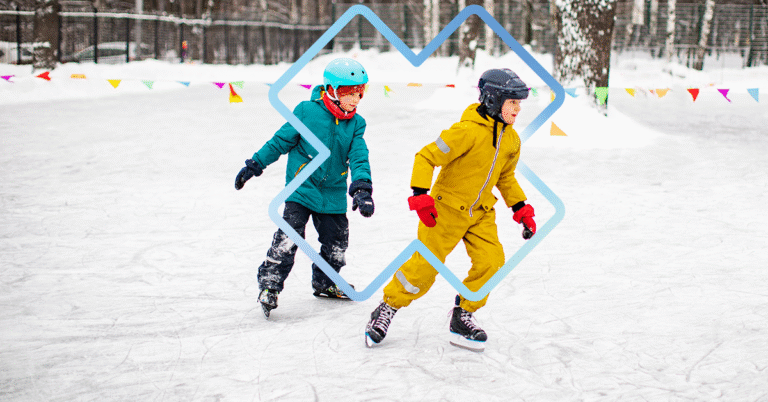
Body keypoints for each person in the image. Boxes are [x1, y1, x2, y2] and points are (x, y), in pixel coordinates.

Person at [364, 68, 537, 351]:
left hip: (480, 213)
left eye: (520, 103)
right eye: (512, 102)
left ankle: (463, 315)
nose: (518, 109)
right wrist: (420, 196)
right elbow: (426, 157)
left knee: (491, 262)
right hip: (444, 212)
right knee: (422, 269)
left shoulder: (511, 140)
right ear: (493, 100)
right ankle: (388, 307)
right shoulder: (465, 131)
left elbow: (505, 177)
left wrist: (521, 209)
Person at [235, 58, 375, 318]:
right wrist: (255, 165)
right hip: (301, 189)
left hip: (333, 194)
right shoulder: (306, 112)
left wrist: (362, 188)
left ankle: (325, 282)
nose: (354, 99)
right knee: (288, 238)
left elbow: (359, 156)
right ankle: (270, 286)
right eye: (348, 92)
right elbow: (279, 142)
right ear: (331, 90)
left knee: (337, 244)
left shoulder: (356, 124)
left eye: (360, 92)